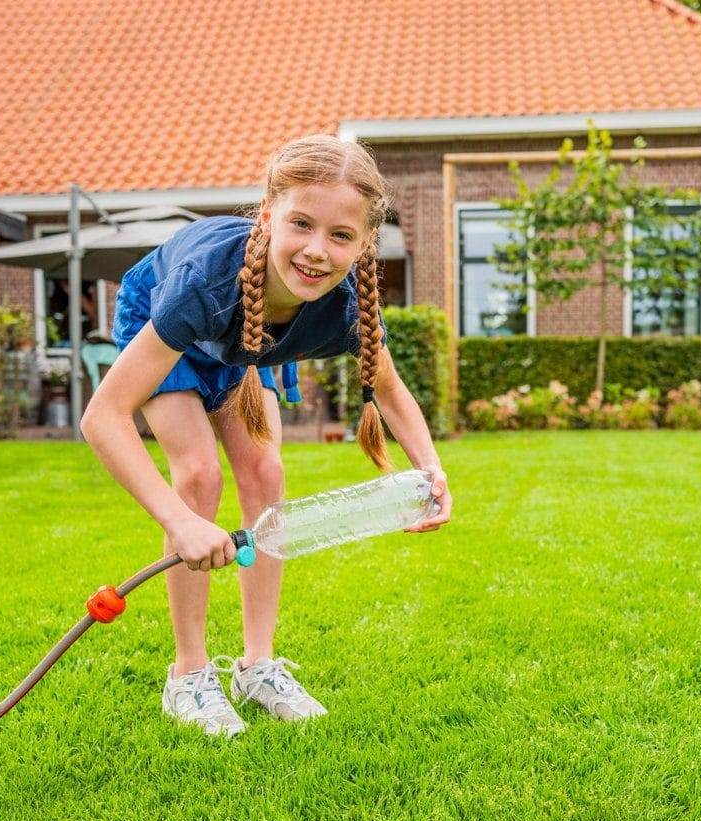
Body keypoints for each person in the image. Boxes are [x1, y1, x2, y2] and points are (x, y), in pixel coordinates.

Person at [81, 135, 452, 737]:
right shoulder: (204, 281)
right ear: (267, 214)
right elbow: (103, 416)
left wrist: (433, 470)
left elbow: (390, 390)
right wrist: (180, 522)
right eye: (300, 224)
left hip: (247, 341)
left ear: (363, 244)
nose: (315, 251)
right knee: (198, 476)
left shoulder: (345, 309)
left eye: (340, 235)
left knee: (266, 474)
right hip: (164, 317)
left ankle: (257, 665)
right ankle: (189, 674)